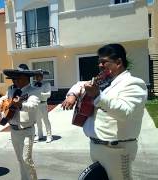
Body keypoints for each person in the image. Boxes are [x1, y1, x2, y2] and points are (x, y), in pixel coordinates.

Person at [61, 44, 147, 180]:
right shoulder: (104, 81)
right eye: (99, 62)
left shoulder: (133, 83)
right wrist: (72, 95)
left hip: (117, 150)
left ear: (118, 62)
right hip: (96, 146)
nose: (100, 65)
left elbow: (126, 112)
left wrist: (97, 96)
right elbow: (80, 84)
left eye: (104, 62)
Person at [0, 64, 40, 180]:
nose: (15, 80)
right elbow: (4, 98)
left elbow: (32, 105)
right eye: (14, 78)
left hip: (27, 131)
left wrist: (20, 104)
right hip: (13, 130)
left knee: (27, 159)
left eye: (18, 78)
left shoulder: (34, 91)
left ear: (26, 78)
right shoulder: (11, 89)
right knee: (20, 159)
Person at [33, 70, 53, 143]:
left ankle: (49, 135)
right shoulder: (34, 85)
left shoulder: (46, 84)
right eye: (36, 76)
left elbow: (48, 94)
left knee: (45, 120)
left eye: (39, 76)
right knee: (38, 121)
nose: (37, 78)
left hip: (43, 104)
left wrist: (39, 94)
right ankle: (40, 135)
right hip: (36, 104)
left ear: (42, 77)